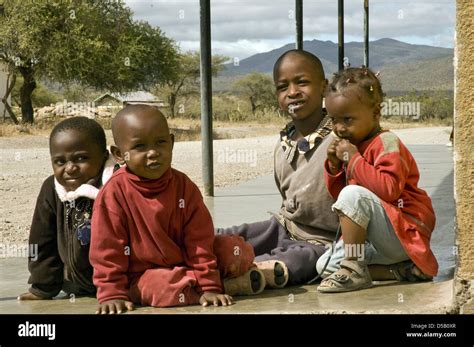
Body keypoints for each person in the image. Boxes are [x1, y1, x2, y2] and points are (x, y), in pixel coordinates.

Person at [89, 104, 249, 314]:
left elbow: (199, 241)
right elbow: (106, 251)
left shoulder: (184, 187)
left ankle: (201, 286)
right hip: (144, 274)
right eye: (140, 147)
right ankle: (227, 284)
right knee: (161, 287)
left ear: (172, 143)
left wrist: (210, 286)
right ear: (119, 154)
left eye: (161, 142)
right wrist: (112, 294)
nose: (153, 152)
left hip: (186, 262)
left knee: (234, 250)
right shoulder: (113, 194)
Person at [216, 49, 340, 287]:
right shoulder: (283, 144)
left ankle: (247, 275)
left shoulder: (339, 139)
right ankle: (190, 253)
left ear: (324, 86)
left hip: (322, 241)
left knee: (294, 260)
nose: (292, 92)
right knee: (234, 235)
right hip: (286, 227)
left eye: (302, 82)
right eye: (283, 87)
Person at [317, 67, 438, 293]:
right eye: (334, 120)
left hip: (404, 232)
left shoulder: (387, 143)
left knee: (352, 196)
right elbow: (343, 202)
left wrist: (353, 159)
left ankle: (354, 267)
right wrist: (334, 166)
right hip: (380, 241)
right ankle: (400, 271)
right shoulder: (355, 145)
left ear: (375, 113)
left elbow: (389, 190)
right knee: (325, 266)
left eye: (348, 119)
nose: (339, 128)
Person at [18, 116, 114, 301]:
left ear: (103, 156)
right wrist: (43, 287)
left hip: (119, 284)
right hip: (75, 285)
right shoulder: (52, 189)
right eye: (60, 162)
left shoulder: (117, 186)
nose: (70, 168)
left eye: (81, 158)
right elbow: (42, 239)